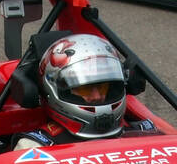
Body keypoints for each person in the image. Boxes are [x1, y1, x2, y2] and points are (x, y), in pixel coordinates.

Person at [14, 34, 156, 149]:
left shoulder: (147, 133)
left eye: (103, 87)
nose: (97, 97)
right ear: (52, 90)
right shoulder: (34, 147)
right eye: (84, 89)